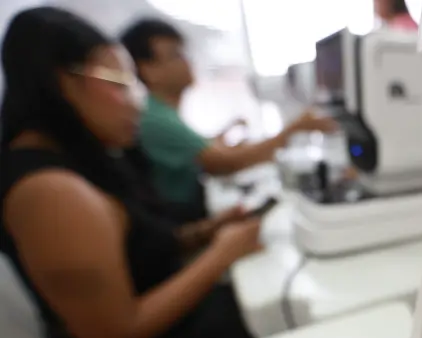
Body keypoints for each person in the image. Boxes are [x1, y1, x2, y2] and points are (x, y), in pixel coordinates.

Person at [0, 7, 261, 338]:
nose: (136, 102)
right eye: (120, 83)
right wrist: (222, 253)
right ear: (65, 82)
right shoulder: (51, 192)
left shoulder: (85, 160)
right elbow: (117, 336)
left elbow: (138, 249)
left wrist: (209, 230)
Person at [119, 19, 336, 216]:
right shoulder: (157, 119)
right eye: (176, 55)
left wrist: (224, 137)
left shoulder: (160, 114)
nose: (187, 62)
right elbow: (224, 163)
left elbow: (204, 151)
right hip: (181, 221)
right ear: (148, 70)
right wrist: (295, 128)